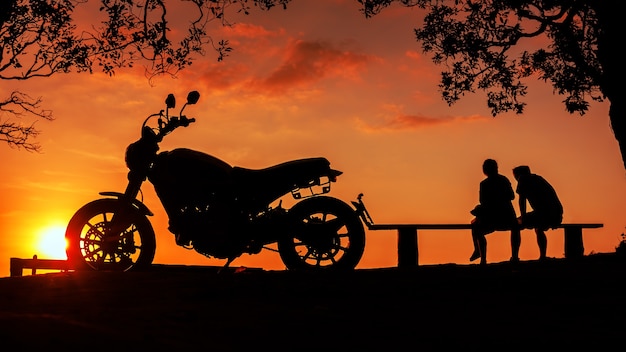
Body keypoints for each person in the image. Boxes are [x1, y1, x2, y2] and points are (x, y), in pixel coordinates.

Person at [470, 159, 521, 265]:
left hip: (492, 217)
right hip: (507, 216)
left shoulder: (484, 184)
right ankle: (515, 256)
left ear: (485, 170)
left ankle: (481, 256)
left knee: (476, 226)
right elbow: (511, 196)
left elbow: (483, 201)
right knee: (514, 226)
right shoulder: (504, 180)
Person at [513, 165, 563, 261]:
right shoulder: (538, 178)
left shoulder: (523, 179)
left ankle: (515, 256)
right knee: (538, 227)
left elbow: (521, 200)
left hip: (545, 214)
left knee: (515, 224)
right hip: (556, 214)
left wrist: (523, 216)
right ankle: (543, 255)